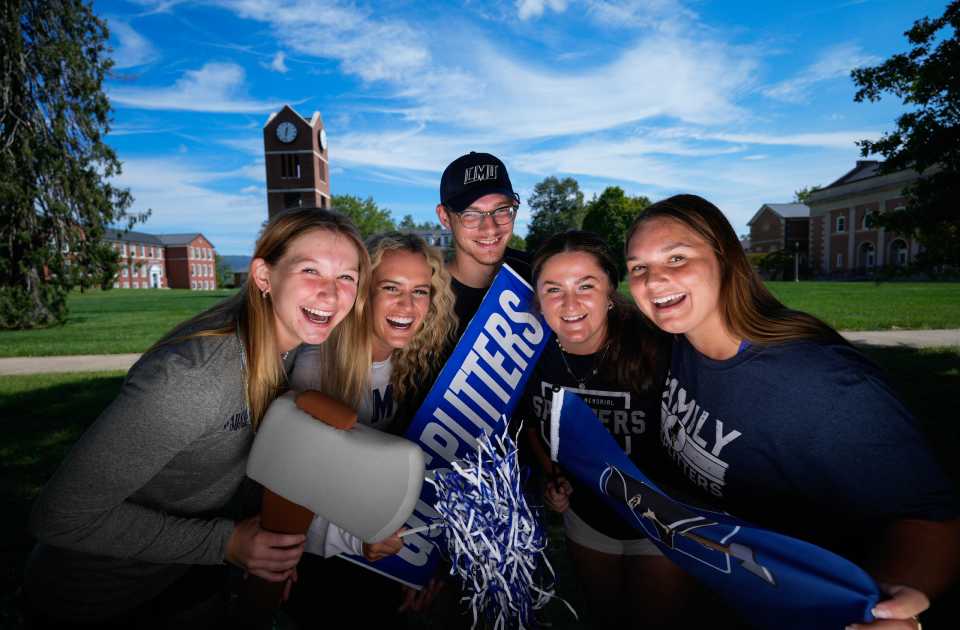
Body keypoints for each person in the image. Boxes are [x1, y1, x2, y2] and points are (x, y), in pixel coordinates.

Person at [22, 207, 372, 628]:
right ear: (263, 276)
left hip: (186, 564)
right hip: (95, 594)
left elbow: (249, 455)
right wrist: (226, 542)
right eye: (311, 271)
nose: (331, 294)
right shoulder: (188, 380)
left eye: (346, 277)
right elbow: (58, 517)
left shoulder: (290, 344)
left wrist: (262, 542)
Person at [624, 194, 960, 629]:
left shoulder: (823, 387)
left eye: (676, 257)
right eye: (638, 268)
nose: (654, 280)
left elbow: (932, 522)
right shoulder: (680, 345)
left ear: (726, 258)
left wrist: (885, 607)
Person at [517, 231, 698, 629]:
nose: (570, 303)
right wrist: (556, 478)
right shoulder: (531, 354)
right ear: (537, 298)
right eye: (553, 289)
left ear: (610, 292)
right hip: (588, 522)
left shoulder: (661, 351)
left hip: (662, 523)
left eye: (586, 286)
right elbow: (533, 422)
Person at [284, 231, 458, 629]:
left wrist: (424, 562)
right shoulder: (319, 366)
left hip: (381, 559)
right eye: (391, 287)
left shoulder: (413, 365)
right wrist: (358, 540)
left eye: (420, 291)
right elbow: (286, 489)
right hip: (325, 567)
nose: (407, 305)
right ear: (362, 292)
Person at [432, 152, 538, 628]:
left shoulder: (536, 279)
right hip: (436, 487)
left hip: (519, 492)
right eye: (472, 213)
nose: (490, 225)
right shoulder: (419, 291)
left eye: (502, 210)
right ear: (445, 217)